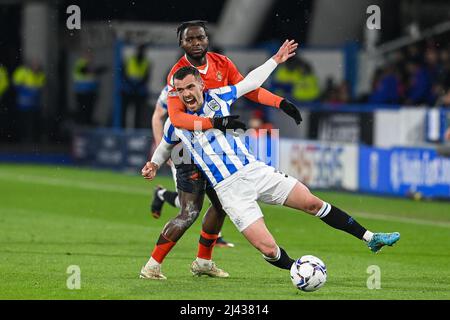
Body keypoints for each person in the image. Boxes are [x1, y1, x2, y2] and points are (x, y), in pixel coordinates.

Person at [142, 40, 400, 278]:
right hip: (231, 191)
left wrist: (275, 60)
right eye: (179, 90)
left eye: (190, 86)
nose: (186, 94)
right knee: (269, 249)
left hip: (256, 171)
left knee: (312, 202)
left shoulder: (219, 97)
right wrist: (154, 163)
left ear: (201, 85)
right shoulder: (177, 124)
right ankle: (299, 270)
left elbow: (251, 83)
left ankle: (370, 237)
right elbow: (165, 146)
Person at [149, 20, 301, 255]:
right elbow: (172, 118)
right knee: (190, 209)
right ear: (181, 43)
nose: (196, 43)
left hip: (218, 145)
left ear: (207, 39)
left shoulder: (222, 63)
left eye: (200, 38)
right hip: (187, 147)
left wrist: (279, 102)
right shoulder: (177, 77)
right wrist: (162, 151)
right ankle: (154, 263)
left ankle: (203, 260)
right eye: (189, 39)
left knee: (220, 203)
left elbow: (248, 87)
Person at [150, 84, 234, 248]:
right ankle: (161, 194)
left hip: (206, 151)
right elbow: (157, 116)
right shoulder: (170, 91)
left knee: (218, 196)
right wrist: (163, 147)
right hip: (182, 152)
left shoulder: (205, 84)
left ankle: (213, 239)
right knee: (187, 205)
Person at [12, 60, 46, 143]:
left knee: (34, 120)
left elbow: (41, 87)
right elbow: (16, 84)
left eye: (37, 65)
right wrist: (26, 91)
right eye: (34, 65)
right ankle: (23, 138)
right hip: (24, 101)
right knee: (24, 120)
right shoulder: (24, 72)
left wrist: (35, 91)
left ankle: (33, 138)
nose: (36, 67)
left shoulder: (40, 74)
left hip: (35, 102)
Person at [121, 44, 150, 128]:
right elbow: (124, 74)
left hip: (137, 91)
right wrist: (132, 84)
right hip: (129, 90)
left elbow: (146, 77)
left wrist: (136, 85)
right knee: (125, 112)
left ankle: (135, 128)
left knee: (138, 113)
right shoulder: (130, 60)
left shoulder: (146, 62)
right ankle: (123, 129)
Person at [73, 51, 104, 126]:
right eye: (89, 56)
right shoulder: (80, 64)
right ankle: (82, 125)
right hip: (82, 91)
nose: (90, 58)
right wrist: (96, 70)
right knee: (83, 110)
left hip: (90, 91)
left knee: (89, 110)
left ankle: (87, 124)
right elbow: (84, 71)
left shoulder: (90, 65)